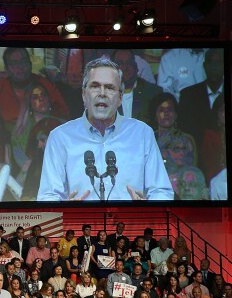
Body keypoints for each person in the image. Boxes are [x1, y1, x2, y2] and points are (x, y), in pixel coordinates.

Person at [37, 57, 173, 201]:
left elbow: (161, 191)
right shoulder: (60, 137)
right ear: (84, 94)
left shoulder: (142, 134)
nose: (102, 93)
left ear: (120, 97)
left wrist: (146, 209)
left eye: (109, 87)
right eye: (95, 86)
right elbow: (47, 196)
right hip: (80, 222)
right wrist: (67, 210)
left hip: (130, 222)